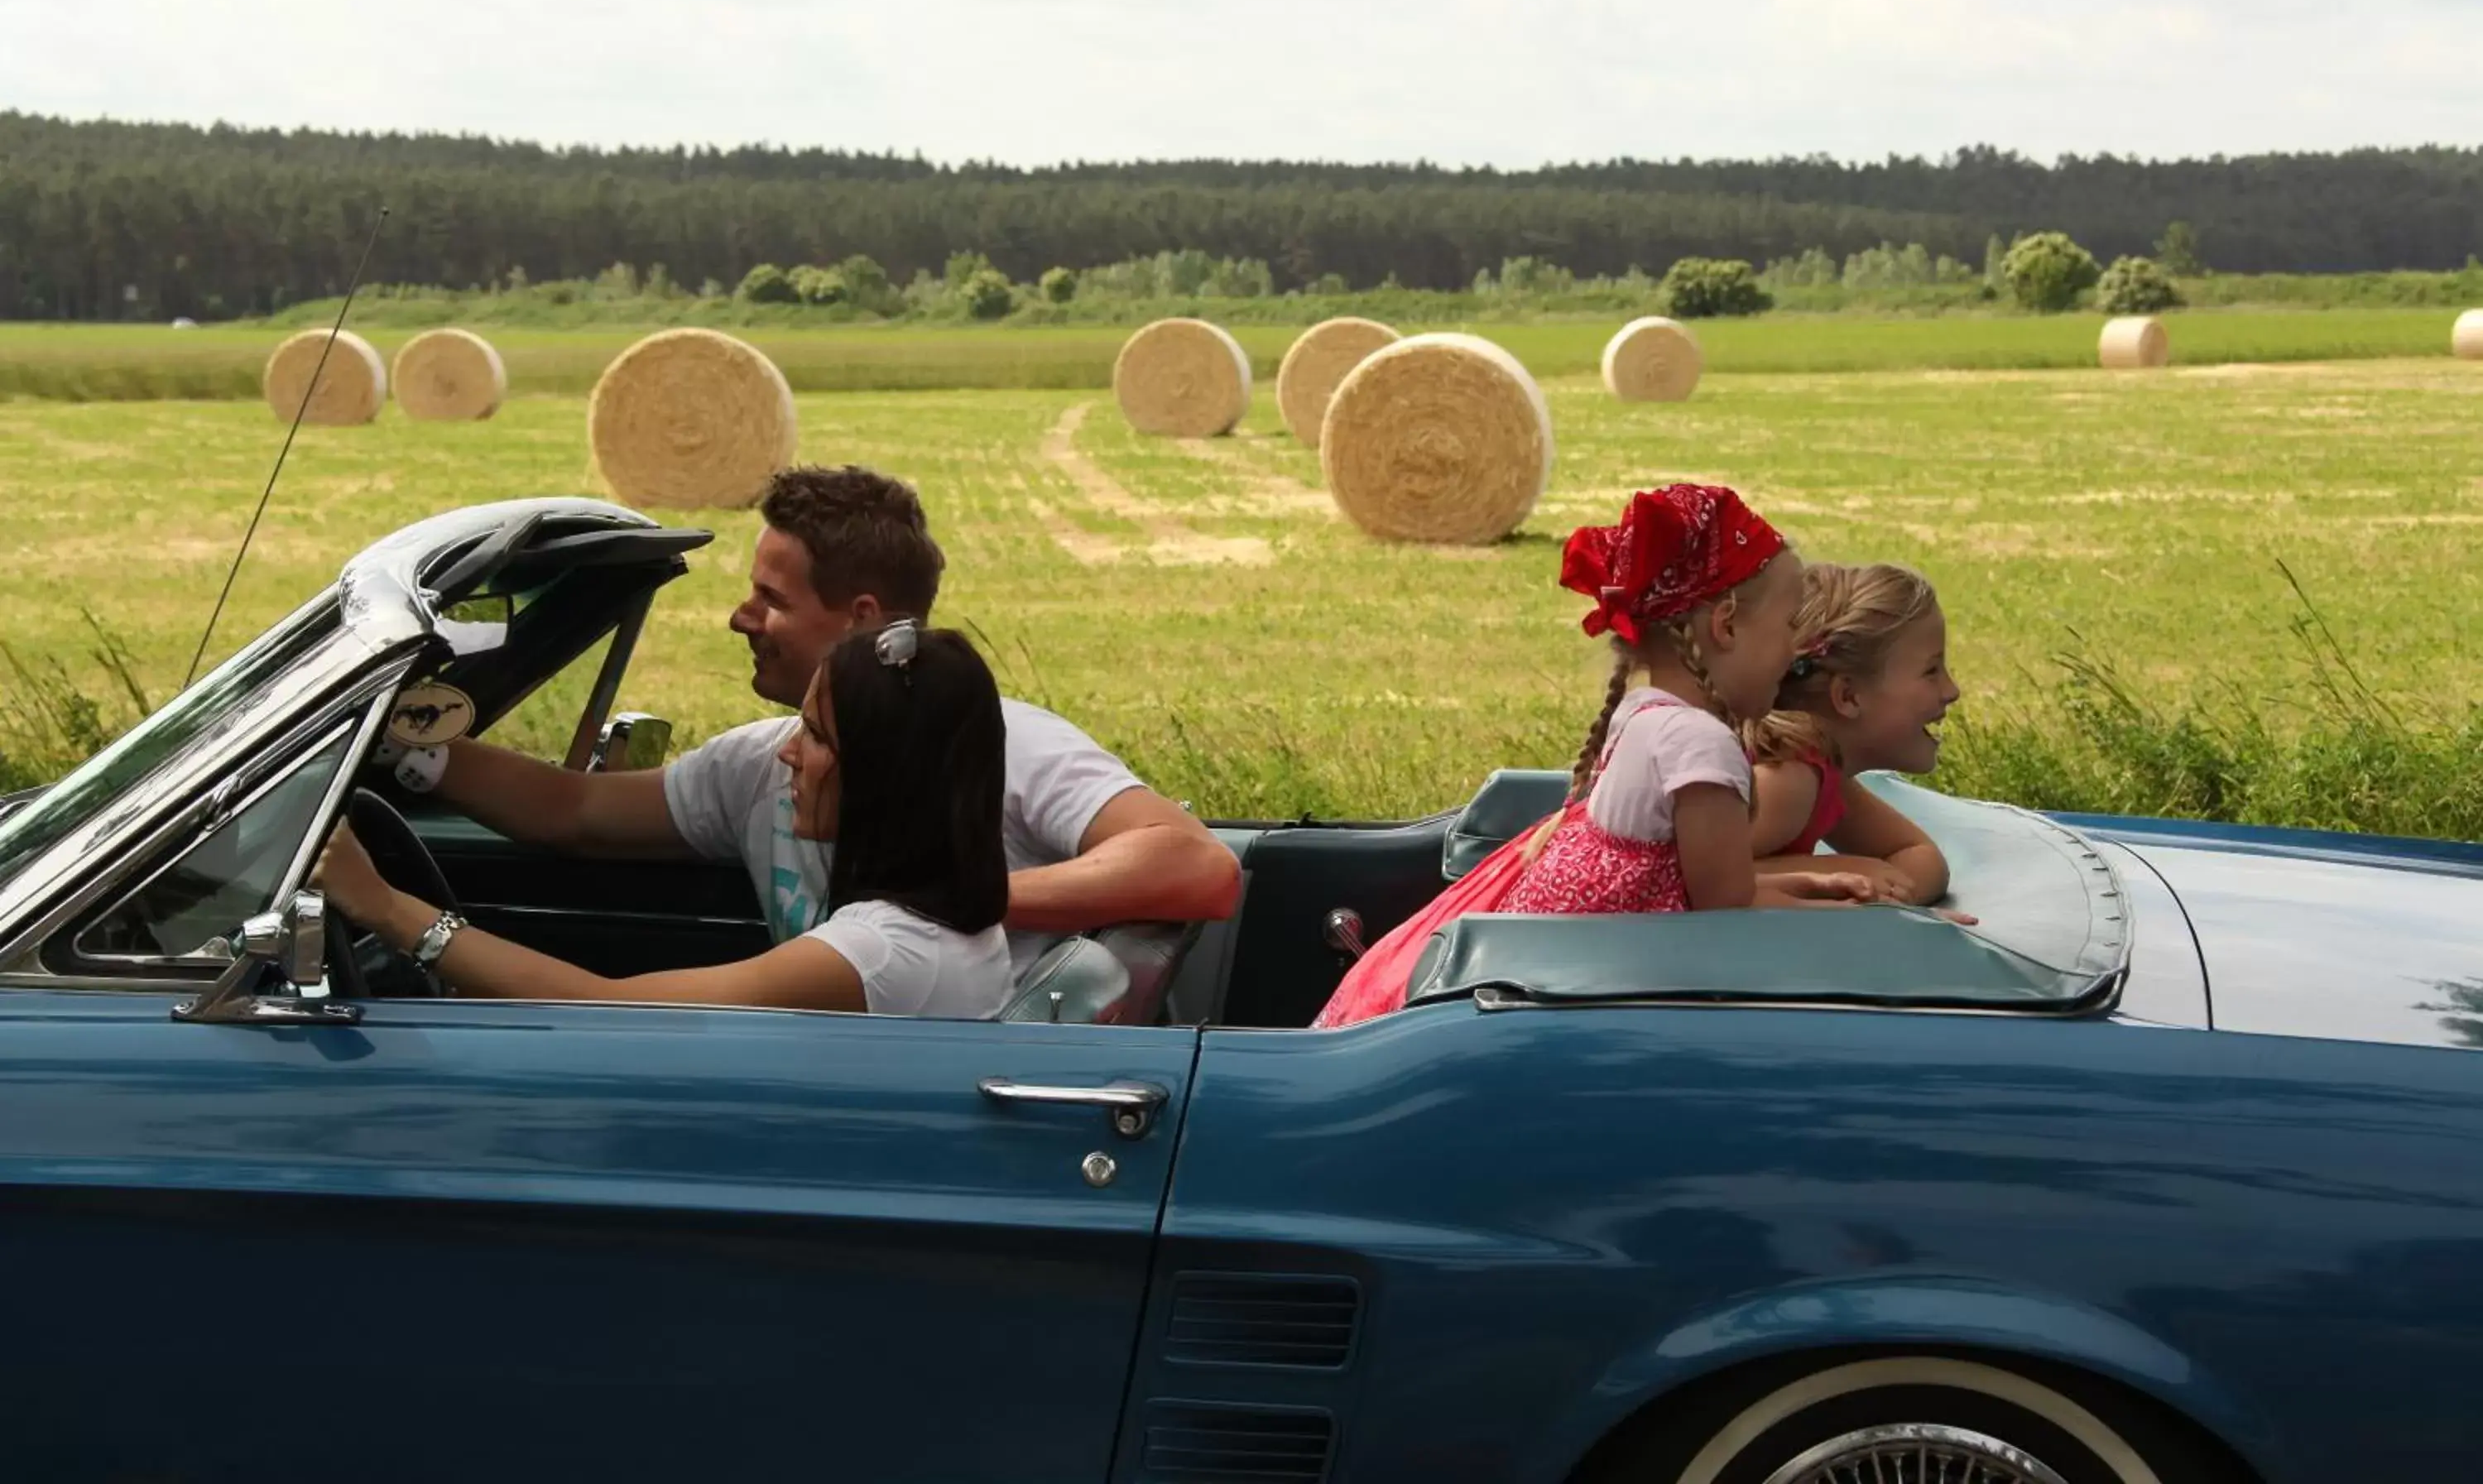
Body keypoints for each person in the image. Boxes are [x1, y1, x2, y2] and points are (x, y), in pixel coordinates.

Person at [411, 465, 1240, 984]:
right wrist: (410, 750)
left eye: (771, 598)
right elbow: (575, 812)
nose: (740, 617)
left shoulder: (1005, 742)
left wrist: (957, 900)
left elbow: (1199, 867)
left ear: (862, 620)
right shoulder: (760, 760)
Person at [1314, 484, 1872, 1029]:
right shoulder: (1703, 747)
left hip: (1533, 978)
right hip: (1561, 1002)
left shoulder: (1646, 714)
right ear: (1726, 625)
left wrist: (1809, 884)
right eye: (1792, 624)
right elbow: (1723, 917)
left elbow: (1703, 893)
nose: (1799, 650)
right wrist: (1869, 924)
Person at [316, 622, 1013, 1016]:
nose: (789, 754)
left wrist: (386, 908)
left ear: (886, 779)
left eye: (820, 737)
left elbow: (606, 1011)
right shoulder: (940, 926)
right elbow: (577, 811)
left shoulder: (876, 954)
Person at [1743, 562, 1964, 906]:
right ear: (1847, 696)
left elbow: (1918, 855)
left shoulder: (1822, 771)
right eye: (1931, 671)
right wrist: (1828, 872)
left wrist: (1879, 896)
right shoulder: (1785, 781)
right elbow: (1668, 882)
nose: (1952, 690)